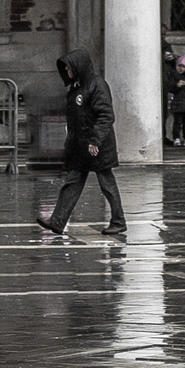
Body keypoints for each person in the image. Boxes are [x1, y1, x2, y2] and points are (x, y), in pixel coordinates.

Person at [38, 49, 126, 237]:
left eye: (69, 67)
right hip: (80, 146)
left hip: (97, 145)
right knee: (72, 181)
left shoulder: (97, 85)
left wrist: (95, 141)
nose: (67, 70)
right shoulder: (76, 87)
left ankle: (118, 221)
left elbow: (106, 115)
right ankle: (58, 221)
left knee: (106, 183)